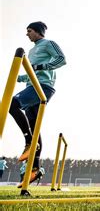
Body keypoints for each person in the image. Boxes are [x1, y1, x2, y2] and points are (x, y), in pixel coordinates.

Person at [8, 21, 66, 186]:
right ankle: (35, 168)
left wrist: (42, 65)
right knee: (34, 126)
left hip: (42, 87)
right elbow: (32, 72)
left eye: (30, 31)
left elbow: (61, 59)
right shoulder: (32, 51)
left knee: (12, 104)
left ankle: (27, 142)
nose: (27, 34)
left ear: (38, 32)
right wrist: (19, 77)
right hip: (31, 86)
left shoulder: (48, 44)